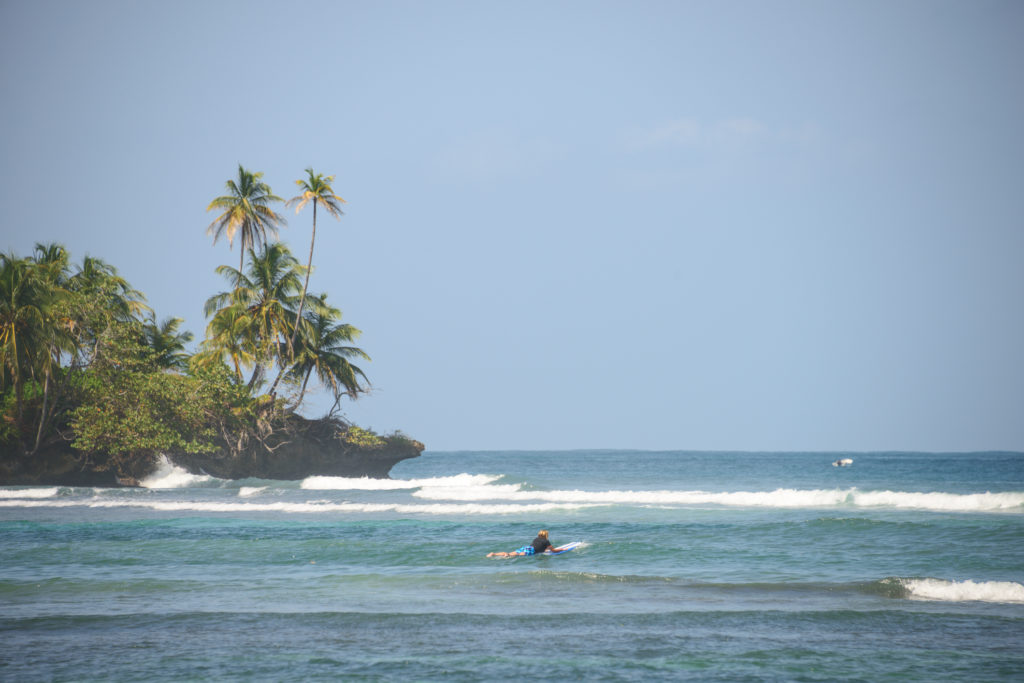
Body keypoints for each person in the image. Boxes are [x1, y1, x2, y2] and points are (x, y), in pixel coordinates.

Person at [488, 530, 555, 557]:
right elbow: (554, 550)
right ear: (546, 535)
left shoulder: (536, 539)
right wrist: (562, 550)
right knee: (517, 555)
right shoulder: (546, 541)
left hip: (527, 547)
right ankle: (507, 555)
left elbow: (539, 547)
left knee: (510, 553)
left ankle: (494, 554)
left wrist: (546, 550)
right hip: (531, 550)